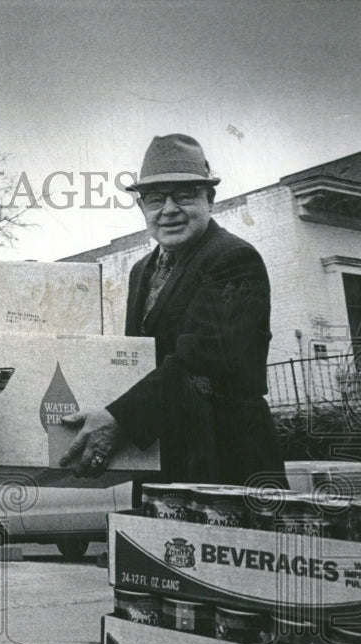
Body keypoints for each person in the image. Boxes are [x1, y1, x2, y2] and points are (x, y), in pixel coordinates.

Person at [60, 134, 287, 491]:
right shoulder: (141, 271)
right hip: (162, 464)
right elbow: (137, 364)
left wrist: (118, 418)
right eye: (154, 199)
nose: (168, 209)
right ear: (142, 209)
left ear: (209, 199)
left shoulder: (235, 260)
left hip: (227, 465)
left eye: (183, 195)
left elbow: (204, 363)